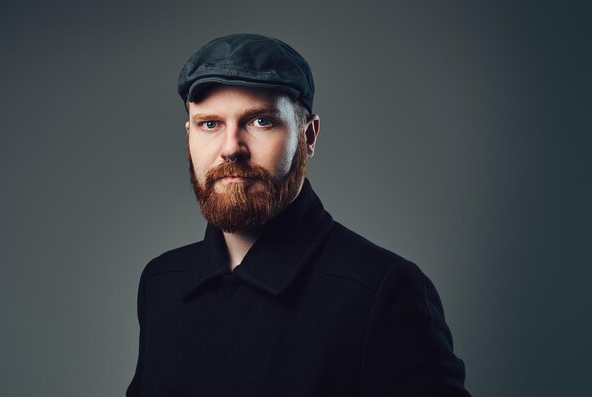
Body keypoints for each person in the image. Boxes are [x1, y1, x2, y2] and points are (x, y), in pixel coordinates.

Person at [126, 33, 470, 397]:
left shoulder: (383, 290)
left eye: (260, 121)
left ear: (308, 136)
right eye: (209, 124)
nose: (231, 148)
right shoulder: (161, 283)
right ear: (189, 136)